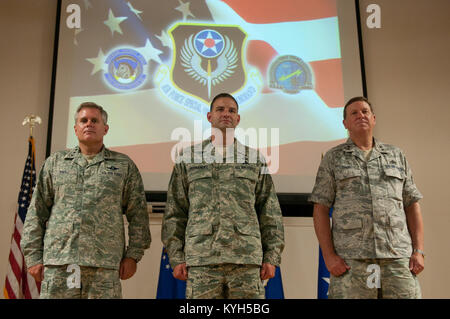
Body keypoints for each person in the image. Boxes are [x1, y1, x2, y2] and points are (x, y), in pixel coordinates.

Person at [21, 102, 151, 298]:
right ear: (75, 128)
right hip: (59, 263)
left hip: (104, 266)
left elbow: (138, 215)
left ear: (105, 128)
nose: (89, 124)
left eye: (95, 120)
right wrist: (32, 256)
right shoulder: (55, 163)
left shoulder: (124, 166)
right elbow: (36, 212)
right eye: (83, 120)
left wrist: (133, 256)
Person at [161, 93, 285, 299]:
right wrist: (176, 256)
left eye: (231, 110)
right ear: (209, 117)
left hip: (245, 259)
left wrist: (272, 256)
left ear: (238, 119)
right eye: (220, 109)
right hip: (202, 260)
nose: (226, 114)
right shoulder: (188, 158)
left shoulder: (255, 159)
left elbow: (269, 210)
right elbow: (175, 211)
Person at [309, 96, 424, 299]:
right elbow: (320, 208)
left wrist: (418, 251)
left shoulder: (396, 155)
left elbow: (411, 204)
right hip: (352, 261)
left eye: (364, 111)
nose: (360, 115)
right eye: (353, 113)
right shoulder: (333, 158)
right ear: (345, 124)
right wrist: (329, 257)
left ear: (373, 118)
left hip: (397, 258)